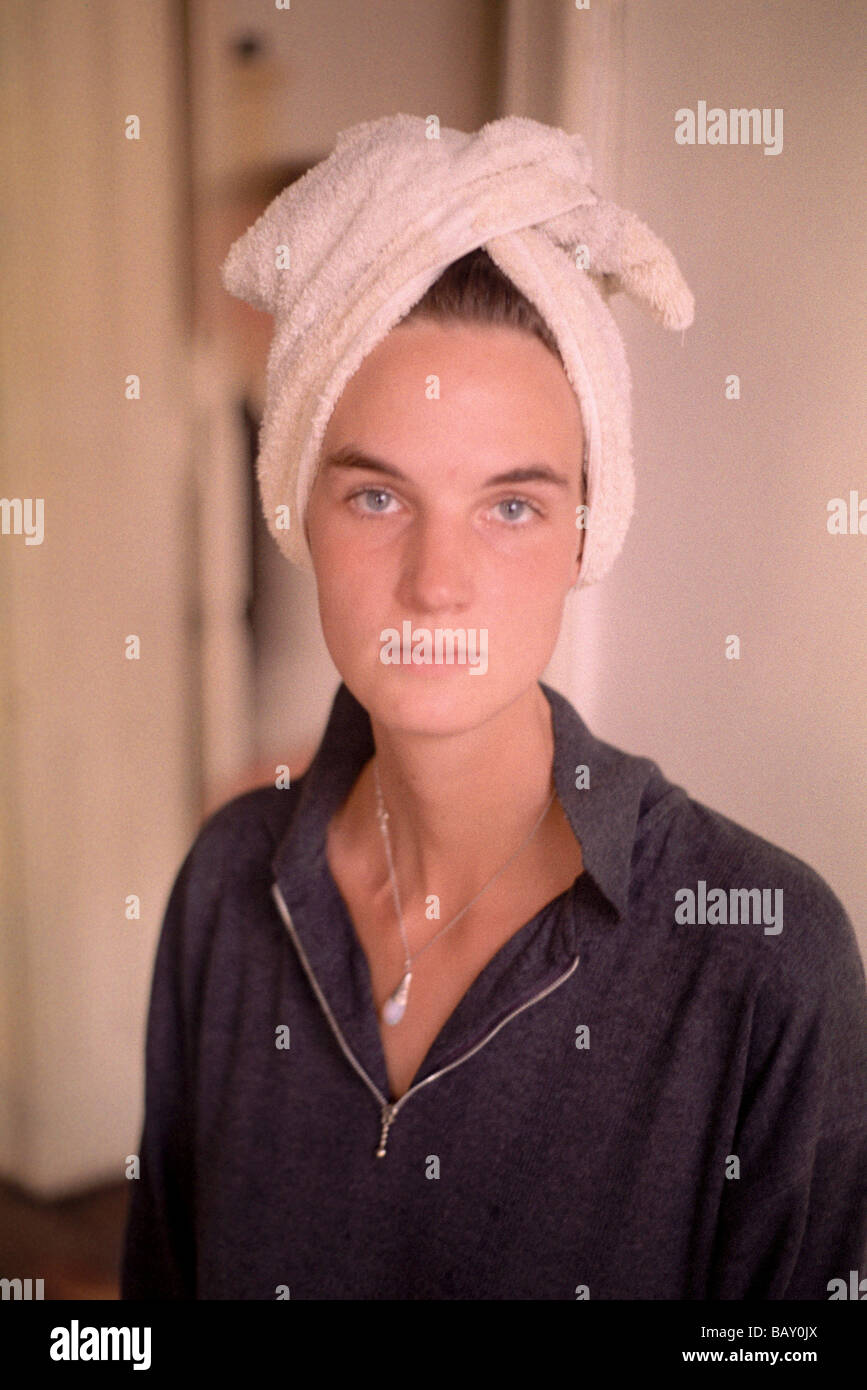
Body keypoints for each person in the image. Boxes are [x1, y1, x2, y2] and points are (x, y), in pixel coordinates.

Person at [121, 115, 867, 1300]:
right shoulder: (225, 886)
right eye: (376, 495)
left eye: (511, 505)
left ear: (587, 527)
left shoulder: (763, 959)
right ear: (297, 511)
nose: (437, 581)